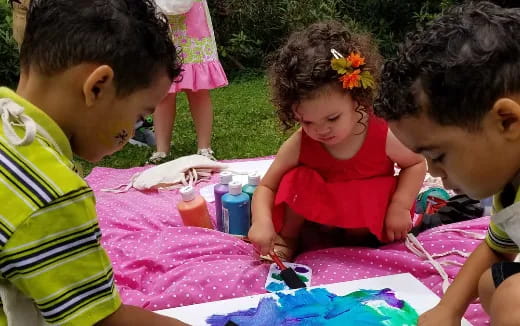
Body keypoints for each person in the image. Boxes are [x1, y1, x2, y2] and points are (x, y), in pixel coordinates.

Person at [0, 0, 188, 324]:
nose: (132, 129)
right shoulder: (52, 195)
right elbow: (103, 321)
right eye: (140, 114)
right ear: (97, 86)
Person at [373, 2, 520, 324]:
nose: (435, 174)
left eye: (438, 156)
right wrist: (448, 310)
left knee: (513, 297)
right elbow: (497, 248)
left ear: (507, 122)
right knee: (492, 283)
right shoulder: (511, 188)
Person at [248, 21, 426, 261]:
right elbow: (266, 187)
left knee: (381, 193)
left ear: (357, 100)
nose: (321, 130)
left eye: (332, 118)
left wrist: (401, 206)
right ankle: (288, 240)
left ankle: (370, 247)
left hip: (369, 225)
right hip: (325, 222)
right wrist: (261, 222)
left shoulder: (380, 132)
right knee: (296, 180)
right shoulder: (302, 142)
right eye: (307, 122)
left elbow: (415, 164)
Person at [149, 0, 228, 163]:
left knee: (198, 88)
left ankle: (204, 148)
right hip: (160, 19)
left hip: (192, 18)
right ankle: (161, 151)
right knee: (163, 91)